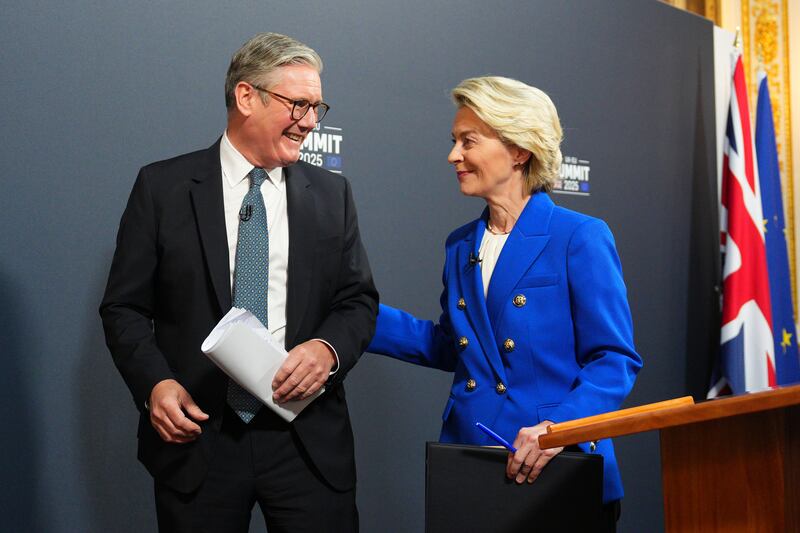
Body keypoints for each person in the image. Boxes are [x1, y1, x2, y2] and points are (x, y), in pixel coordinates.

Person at [100, 33, 377, 533]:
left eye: (317, 107)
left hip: (307, 444)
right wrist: (155, 384)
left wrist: (328, 349)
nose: (311, 121)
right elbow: (124, 308)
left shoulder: (333, 195)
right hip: (199, 440)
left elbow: (357, 301)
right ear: (247, 97)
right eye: (299, 105)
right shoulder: (162, 188)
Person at [368, 76, 641, 528]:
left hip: (556, 466)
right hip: (471, 464)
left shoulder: (579, 236)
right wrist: (358, 317)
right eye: (454, 141)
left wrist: (560, 430)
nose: (453, 156)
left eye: (468, 141)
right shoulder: (460, 245)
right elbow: (455, 345)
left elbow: (614, 359)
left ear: (518, 150)